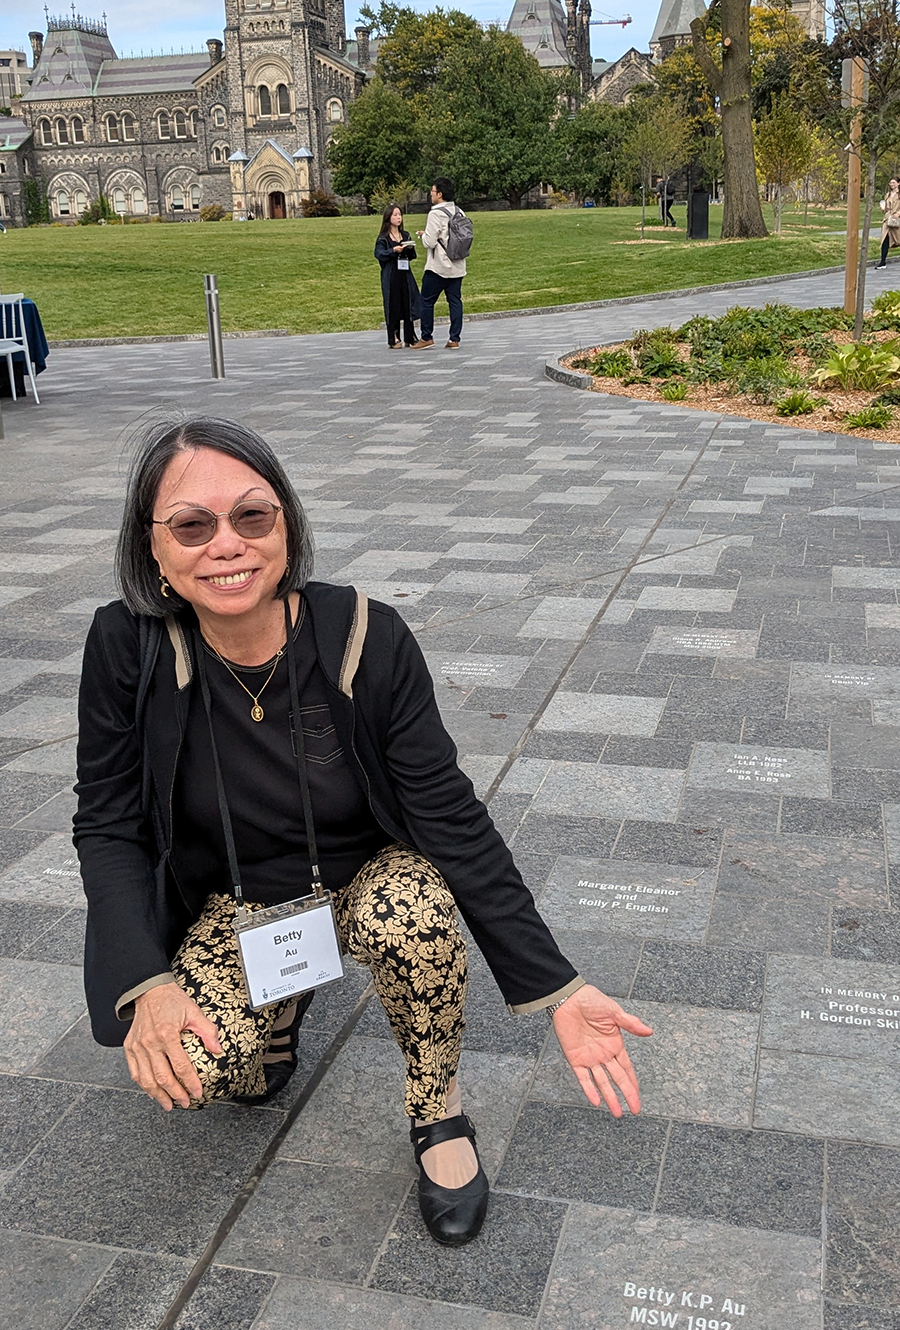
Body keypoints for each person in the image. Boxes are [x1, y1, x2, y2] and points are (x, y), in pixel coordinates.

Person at [74, 416, 651, 1247]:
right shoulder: (125, 647)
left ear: (288, 524)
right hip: (236, 905)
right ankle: (278, 1016)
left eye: (252, 516)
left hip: (362, 882)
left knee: (410, 911)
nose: (226, 545)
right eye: (192, 525)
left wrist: (553, 982)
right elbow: (108, 823)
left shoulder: (364, 637)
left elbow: (451, 813)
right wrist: (146, 984)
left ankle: (439, 1113)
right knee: (200, 1073)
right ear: (154, 551)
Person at [412, 178, 466, 349]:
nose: (431, 194)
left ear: (440, 194)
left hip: (438, 266)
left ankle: (426, 336)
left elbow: (430, 242)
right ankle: (454, 339)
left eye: (433, 192)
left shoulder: (435, 213)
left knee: (426, 300)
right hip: (457, 265)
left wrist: (423, 235)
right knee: (455, 301)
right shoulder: (459, 212)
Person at [374, 204, 420, 348]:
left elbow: (412, 256)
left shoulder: (405, 235)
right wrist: (393, 250)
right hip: (391, 274)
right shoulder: (383, 238)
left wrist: (409, 249)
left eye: (400, 214)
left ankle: (410, 335)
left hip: (404, 274)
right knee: (393, 304)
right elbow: (379, 254)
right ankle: (393, 336)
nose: (398, 217)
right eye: (395, 215)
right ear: (388, 217)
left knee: (408, 303)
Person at [876, 178, 900, 268]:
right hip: (887, 219)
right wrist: (883, 208)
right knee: (885, 239)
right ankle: (882, 262)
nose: (891, 184)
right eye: (890, 182)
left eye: (893, 182)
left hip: (896, 219)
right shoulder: (888, 195)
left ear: (898, 183)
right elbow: (886, 207)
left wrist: (898, 213)